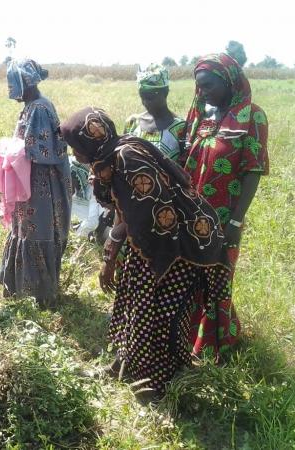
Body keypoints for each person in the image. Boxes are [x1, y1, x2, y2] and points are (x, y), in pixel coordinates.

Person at [60, 107, 232, 401]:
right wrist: (112, 253)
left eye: (75, 147)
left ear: (90, 142)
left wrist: (114, 248)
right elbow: (124, 206)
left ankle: (158, 383)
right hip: (152, 242)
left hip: (177, 246)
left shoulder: (127, 158)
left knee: (160, 313)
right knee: (135, 301)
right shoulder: (109, 157)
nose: (74, 154)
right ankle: (124, 364)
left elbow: (145, 215)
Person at [184, 53, 269, 358]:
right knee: (192, 277)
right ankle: (189, 337)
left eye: (208, 86)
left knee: (218, 279)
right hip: (192, 215)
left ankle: (218, 346)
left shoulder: (252, 117)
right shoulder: (203, 117)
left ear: (229, 81)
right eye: (199, 86)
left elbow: (253, 171)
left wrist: (235, 222)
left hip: (223, 219)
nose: (202, 92)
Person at [0, 58, 72, 308]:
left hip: (41, 183)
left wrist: (11, 152)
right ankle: (24, 289)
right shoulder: (31, 105)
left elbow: (40, 152)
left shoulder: (39, 108)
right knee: (27, 229)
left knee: (37, 230)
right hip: (30, 181)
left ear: (25, 82)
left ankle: (39, 294)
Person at [124, 64, 186, 163]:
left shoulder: (180, 127)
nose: (145, 102)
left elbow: (184, 166)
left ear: (165, 93)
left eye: (150, 97)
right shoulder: (132, 123)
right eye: (142, 97)